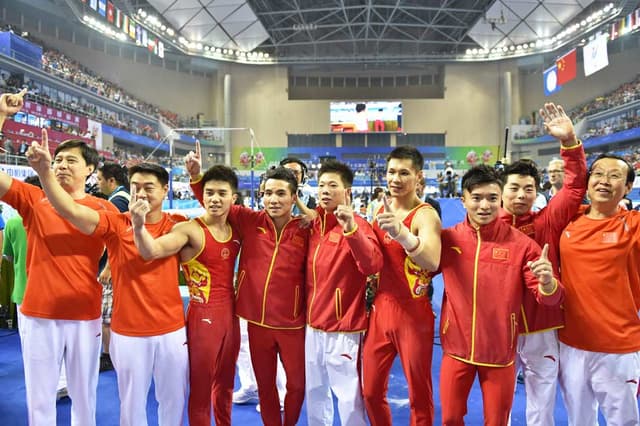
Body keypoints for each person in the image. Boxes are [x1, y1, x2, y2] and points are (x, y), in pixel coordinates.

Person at [27, 134, 188, 426]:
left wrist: (198, 178)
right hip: (128, 331)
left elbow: (219, 217)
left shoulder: (178, 225)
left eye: (149, 188)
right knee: (131, 406)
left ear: (165, 190)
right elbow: (71, 210)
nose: (141, 193)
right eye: (135, 187)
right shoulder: (114, 223)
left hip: (172, 329)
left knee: (173, 402)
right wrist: (45, 172)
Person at [0, 89, 118, 426]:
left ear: (91, 169)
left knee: (84, 396)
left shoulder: (102, 208)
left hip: (84, 313)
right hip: (39, 312)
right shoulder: (33, 199)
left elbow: (74, 215)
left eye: (71, 161)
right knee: (40, 398)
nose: (62, 165)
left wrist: (47, 174)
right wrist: (2, 117)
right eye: (58, 160)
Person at [438, 165, 564, 425]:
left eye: (492, 198)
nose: (485, 205)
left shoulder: (522, 245)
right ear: (463, 200)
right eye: (477, 198)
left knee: (496, 421)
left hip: (500, 354)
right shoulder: (448, 239)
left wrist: (548, 282)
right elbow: (421, 269)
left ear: (500, 199)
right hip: (456, 349)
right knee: (450, 418)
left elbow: (549, 298)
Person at [189, 158, 308, 426]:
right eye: (267, 193)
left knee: (297, 386)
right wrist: (197, 177)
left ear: (293, 197)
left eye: (280, 193)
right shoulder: (249, 220)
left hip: (293, 324)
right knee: (265, 387)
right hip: (256, 322)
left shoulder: (305, 228)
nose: (273, 199)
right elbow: (214, 202)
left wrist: (308, 213)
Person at [131, 164, 241, 426]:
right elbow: (153, 251)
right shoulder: (189, 230)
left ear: (233, 198)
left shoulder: (236, 228)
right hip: (204, 318)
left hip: (232, 317)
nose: (215, 199)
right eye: (209, 193)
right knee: (201, 389)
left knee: (225, 384)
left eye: (221, 193)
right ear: (201, 196)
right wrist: (138, 227)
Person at [498, 102, 586, 426]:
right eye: (514, 188)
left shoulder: (548, 220)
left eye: (528, 189)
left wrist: (569, 143)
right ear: (501, 190)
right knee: (499, 402)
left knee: (542, 402)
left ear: (537, 192)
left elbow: (576, 186)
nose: (521, 195)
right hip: (500, 327)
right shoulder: (485, 229)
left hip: (542, 326)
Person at [362, 146, 442, 425]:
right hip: (380, 309)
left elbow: (432, 260)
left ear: (418, 177)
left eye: (404, 173)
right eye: (391, 172)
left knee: (419, 394)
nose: (395, 179)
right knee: (370, 391)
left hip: (413, 314)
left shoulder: (425, 215)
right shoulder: (378, 210)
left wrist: (403, 234)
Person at [557, 154, 640, 425]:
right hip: (571, 344)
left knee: (624, 422)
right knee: (579, 420)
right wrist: (569, 143)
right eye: (598, 174)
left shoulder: (635, 225)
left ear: (628, 188)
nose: (604, 181)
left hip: (618, 347)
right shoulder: (567, 221)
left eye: (615, 176)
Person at [302, 159, 383, 425]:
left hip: (344, 328)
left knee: (348, 397)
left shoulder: (357, 223)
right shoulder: (314, 225)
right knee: (315, 393)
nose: (325, 190)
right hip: (312, 326)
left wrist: (351, 229)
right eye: (321, 185)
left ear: (347, 191)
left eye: (332, 185)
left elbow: (372, 263)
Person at [2, 175, 69, 400]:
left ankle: (43, 388)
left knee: (32, 346)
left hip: (25, 291)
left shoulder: (12, 223)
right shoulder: (61, 217)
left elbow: (8, 257)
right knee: (63, 341)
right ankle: (63, 381)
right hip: (56, 292)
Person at [96, 162, 131, 372]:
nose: (98, 183)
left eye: (100, 179)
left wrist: (108, 266)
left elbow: (117, 236)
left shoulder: (118, 201)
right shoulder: (120, 198)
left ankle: (108, 355)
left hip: (114, 265)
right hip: (118, 264)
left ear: (112, 180)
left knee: (107, 315)